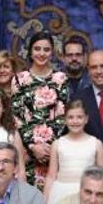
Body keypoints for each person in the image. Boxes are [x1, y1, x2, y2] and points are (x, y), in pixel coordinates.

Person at [14, 32, 68, 189]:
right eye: (37, 49)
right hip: (27, 153)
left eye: (46, 49)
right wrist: (33, 146)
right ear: (30, 51)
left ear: (52, 52)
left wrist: (49, 148)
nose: (41, 53)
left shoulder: (60, 79)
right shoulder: (19, 79)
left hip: (52, 153)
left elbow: (62, 116)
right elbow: (17, 116)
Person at [43, 100, 103, 204]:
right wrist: (44, 202)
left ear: (86, 119)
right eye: (70, 117)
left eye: (79, 117)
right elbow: (51, 176)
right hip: (60, 194)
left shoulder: (96, 144)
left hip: (88, 195)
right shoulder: (58, 144)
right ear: (65, 120)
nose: (75, 121)